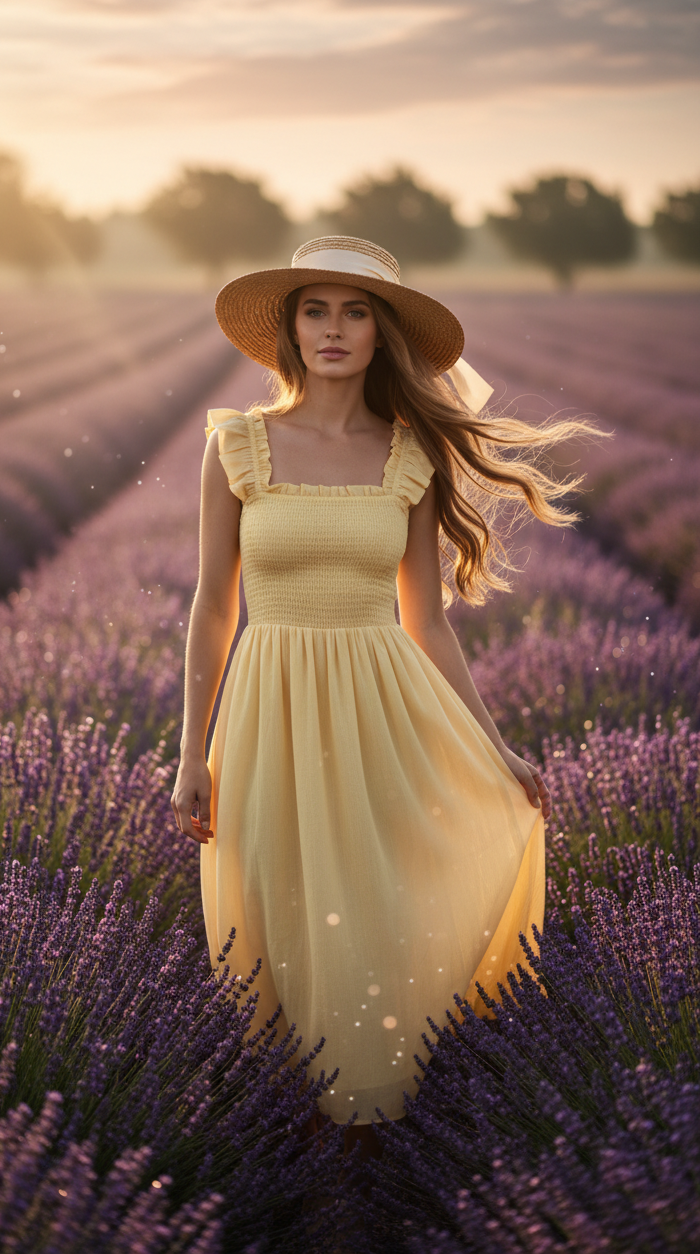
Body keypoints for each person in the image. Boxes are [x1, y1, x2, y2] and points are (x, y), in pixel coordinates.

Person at [171, 235, 586, 1153]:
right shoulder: (236, 444)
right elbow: (212, 610)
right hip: (269, 709)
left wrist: (497, 748)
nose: (333, 328)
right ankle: (299, 1142)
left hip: (380, 709)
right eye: (315, 310)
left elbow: (427, 621)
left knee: (376, 908)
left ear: (381, 332)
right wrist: (190, 754)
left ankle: (382, 1122)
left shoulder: (409, 456)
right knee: (282, 912)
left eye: (355, 311)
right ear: (289, 329)